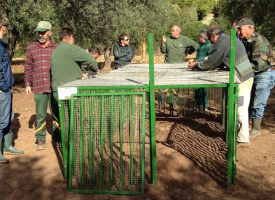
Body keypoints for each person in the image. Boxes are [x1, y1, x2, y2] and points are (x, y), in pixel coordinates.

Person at [188, 25, 254, 147]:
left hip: (241, 78)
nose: (209, 40)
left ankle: (243, 139)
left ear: (213, 35)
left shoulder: (221, 43)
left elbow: (211, 62)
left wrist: (196, 66)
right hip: (244, 75)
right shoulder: (228, 39)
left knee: (240, 107)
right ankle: (238, 135)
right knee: (239, 106)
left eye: (209, 37)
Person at [50, 28, 98, 129]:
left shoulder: (55, 51)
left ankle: (64, 140)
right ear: (71, 37)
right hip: (69, 90)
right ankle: (75, 140)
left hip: (56, 91)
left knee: (63, 117)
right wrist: (92, 71)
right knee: (75, 116)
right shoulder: (72, 49)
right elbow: (92, 60)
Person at [236, 17, 275, 138]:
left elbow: (257, 65)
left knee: (258, 102)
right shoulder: (247, 41)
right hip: (254, 74)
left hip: (264, 74)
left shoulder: (259, 41)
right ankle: (246, 126)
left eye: (240, 29)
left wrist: (238, 69)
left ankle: (256, 128)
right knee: (250, 100)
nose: (238, 32)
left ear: (250, 28)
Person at [24, 21, 58, 151]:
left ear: (50, 32)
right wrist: (28, 84)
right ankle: (41, 138)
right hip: (38, 86)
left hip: (54, 86)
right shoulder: (32, 47)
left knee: (56, 112)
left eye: (43, 32)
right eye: (39, 32)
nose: (40, 35)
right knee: (40, 114)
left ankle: (57, 135)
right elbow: (28, 67)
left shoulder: (57, 47)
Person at [0, 18, 23, 163]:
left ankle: (8, 146)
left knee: (9, 117)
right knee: (2, 120)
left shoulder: (2, 45)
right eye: (5, 26)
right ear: (2, 27)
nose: (6, 29)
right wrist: (3, 86)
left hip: (6, 89)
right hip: (2, 90)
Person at [159, 24, 199, 107]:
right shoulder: (168, 39)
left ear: (178, 31)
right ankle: (161, 102)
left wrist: (188, 52)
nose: (171, 32)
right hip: (167, 65)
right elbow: (163, 51)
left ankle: (174, 102)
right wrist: (163, 43)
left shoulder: (184, 39)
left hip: (179, 66)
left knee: (175, 85)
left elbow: (195, 46)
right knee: (163, 84)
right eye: (171, 30)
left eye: (173, 30)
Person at [189, 29, 213, 111]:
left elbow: (209, 58)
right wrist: (193, 60)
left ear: (203, 37)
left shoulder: (209, 45)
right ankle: (198, 104)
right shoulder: (200, 45)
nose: (198, 38)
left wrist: (197, 62)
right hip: (197, 68)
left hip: (203, 68)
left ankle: (204, 105)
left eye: (199, 36)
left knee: (202, 87)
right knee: (197, 87)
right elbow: (199, 56)